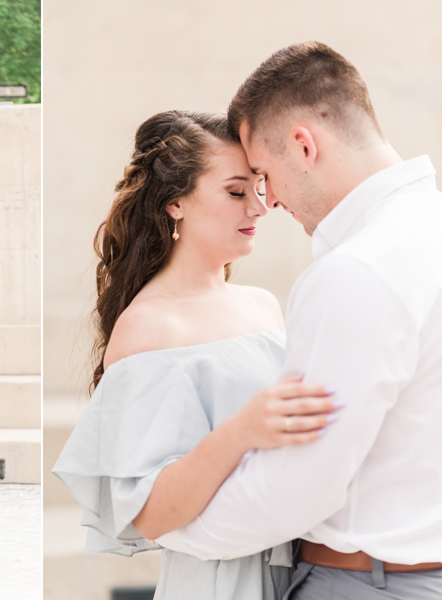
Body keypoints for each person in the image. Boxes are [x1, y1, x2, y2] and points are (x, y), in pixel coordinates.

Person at [157, 42, 442, 599]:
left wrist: (164, 522)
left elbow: (293, 493)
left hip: (363, 583)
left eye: (263, 173)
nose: (269, 202)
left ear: (304, 145)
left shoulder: (356, 271)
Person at [53, 110, 339, 599]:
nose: (258, 208)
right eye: (234, 192)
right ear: (174, 204)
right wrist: (242, 431)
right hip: (220, 583)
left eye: (259, 187)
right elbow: (148, 514)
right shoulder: (148, 326)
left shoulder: (263, 304)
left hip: (302, 566)